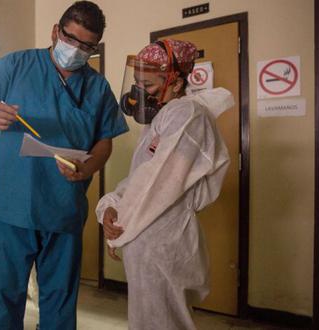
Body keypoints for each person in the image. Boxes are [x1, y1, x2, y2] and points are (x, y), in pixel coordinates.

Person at [0, 1, 128, 329]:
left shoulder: (97, 87)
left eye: (87, 46)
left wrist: (88, 168)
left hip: (64, 209)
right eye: (71, 40)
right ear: (56, 32)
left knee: (59, 302)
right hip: (15, 209)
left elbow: (105, 141)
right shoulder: (17, 65)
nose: (78, 50)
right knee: (3, 299)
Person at [96, 39, 233, 330]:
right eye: (136, 83)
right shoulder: (162, 118)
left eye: (147, 85)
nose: (138, 93)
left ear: (175, 82)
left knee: (164, 322)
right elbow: (141, 177)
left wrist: (120, 226)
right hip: (148, 238)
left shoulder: (186, 116)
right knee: (150, 320)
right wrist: (110, 206)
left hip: (163, 241)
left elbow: (159, 183)